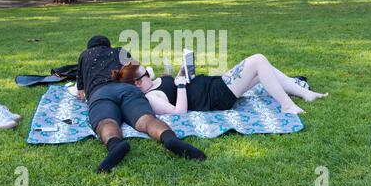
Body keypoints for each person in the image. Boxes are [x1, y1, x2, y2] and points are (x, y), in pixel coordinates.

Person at [76, 35, 206, 173]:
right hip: (128, 90)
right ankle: (168, 138)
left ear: (89, 47)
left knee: (106, 122)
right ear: (109, 45)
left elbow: (81, 93)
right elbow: (135, 69)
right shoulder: (119, 50)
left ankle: (115, 144)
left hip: (101, 93)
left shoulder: (84, 56)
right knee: (147, 119)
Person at [112, 54, 329, 116]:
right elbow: (179, 112)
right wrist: (179, 85)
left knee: (265, 69)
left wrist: (180, 73)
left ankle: (304, 93)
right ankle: (287, 105)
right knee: (258, 60)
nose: (150, 72)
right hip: (216, 96)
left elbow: (172, 83)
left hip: (215, 84)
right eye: (145, 73)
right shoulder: (151, 98)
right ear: (138, 84)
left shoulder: (152, 85)